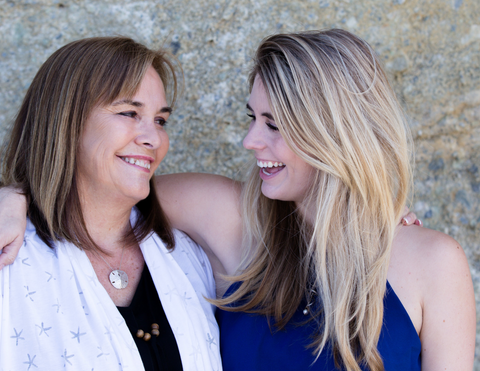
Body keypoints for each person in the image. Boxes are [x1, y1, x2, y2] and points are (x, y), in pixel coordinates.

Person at [0, 29, 473, 370]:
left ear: (333, 132)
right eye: (253, 117)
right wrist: (12, 196)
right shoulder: (228, 218)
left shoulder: (432, 262)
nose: (250, 141)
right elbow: (89, 187)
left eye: (273, 124)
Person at [0, 37, 221, 371]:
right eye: (129, 113)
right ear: (65, 122)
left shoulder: (186, 254)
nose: (154, 138)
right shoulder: (10, 259)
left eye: (160, 120)